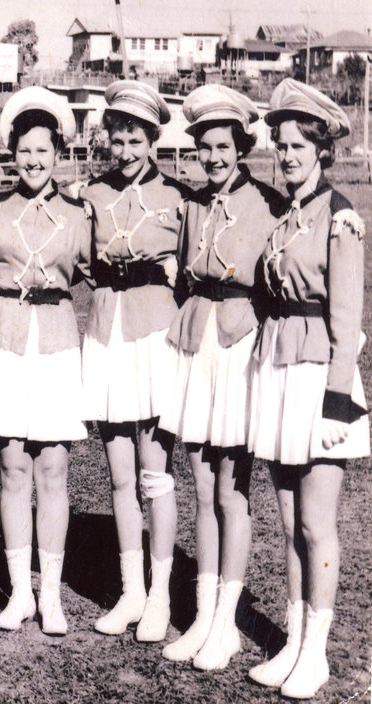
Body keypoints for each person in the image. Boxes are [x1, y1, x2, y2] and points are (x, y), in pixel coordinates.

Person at [247, 79, 369, 700]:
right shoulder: (284, 215)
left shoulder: (339, 216)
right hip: (279, 370)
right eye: (281, 144)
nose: (287, 154)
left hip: (320, 378)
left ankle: (315, 654)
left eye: (299, 145)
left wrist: (336, 405)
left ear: (322, 150)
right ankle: (293, 643)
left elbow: (347, 321)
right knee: (290, 520)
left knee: (318, 523)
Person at [157, 85, 284, 668]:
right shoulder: (192, 205)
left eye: (222, 147)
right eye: (203, 148)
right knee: (202, 485)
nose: (211, 157)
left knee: (232, 490)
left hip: (238, 344)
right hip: (195, 341)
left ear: (241, 148)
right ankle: (204, 617)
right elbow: (185, 276)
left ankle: (227, 624)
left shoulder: (269, 205)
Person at [78, 80, 192, 641]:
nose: (124, 151)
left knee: (155, 474)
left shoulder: (179, 198)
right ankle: (131, 593)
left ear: (153, 141)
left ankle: (160, 598)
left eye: (135, 141)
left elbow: (193, 267)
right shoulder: (91, 195)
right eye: (117, 141)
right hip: (107, 333)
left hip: (155, 335)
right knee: (119, 475)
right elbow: (80, 262)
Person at [0, 87, 89, 633]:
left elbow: (101, 270)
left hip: (56, 342)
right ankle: (19, 593)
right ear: (12, 153)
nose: (33, 160)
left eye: (43, 150)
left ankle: (51, 596)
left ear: (58, 153)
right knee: (13, 468)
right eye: (24, 150)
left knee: (53, 469)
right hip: (5, 338)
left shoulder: (79, 213)